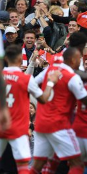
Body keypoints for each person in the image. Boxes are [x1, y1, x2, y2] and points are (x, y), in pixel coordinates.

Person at [1, 45, 59, 174]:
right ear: (20, 60)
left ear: (6, 58)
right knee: (23, 166)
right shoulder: (26, 79)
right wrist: (50, 82)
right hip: (18, 127)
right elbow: (43, 99)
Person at [30, 47, 87, 174]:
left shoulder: (49, 71)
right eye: (80, 59)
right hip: (58, 124)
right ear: (73, 60)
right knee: (77, 163)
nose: (81, 62)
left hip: (41, 123)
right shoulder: (71, 77)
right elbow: (86, 101)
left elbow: (32, 83)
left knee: (38, 165)